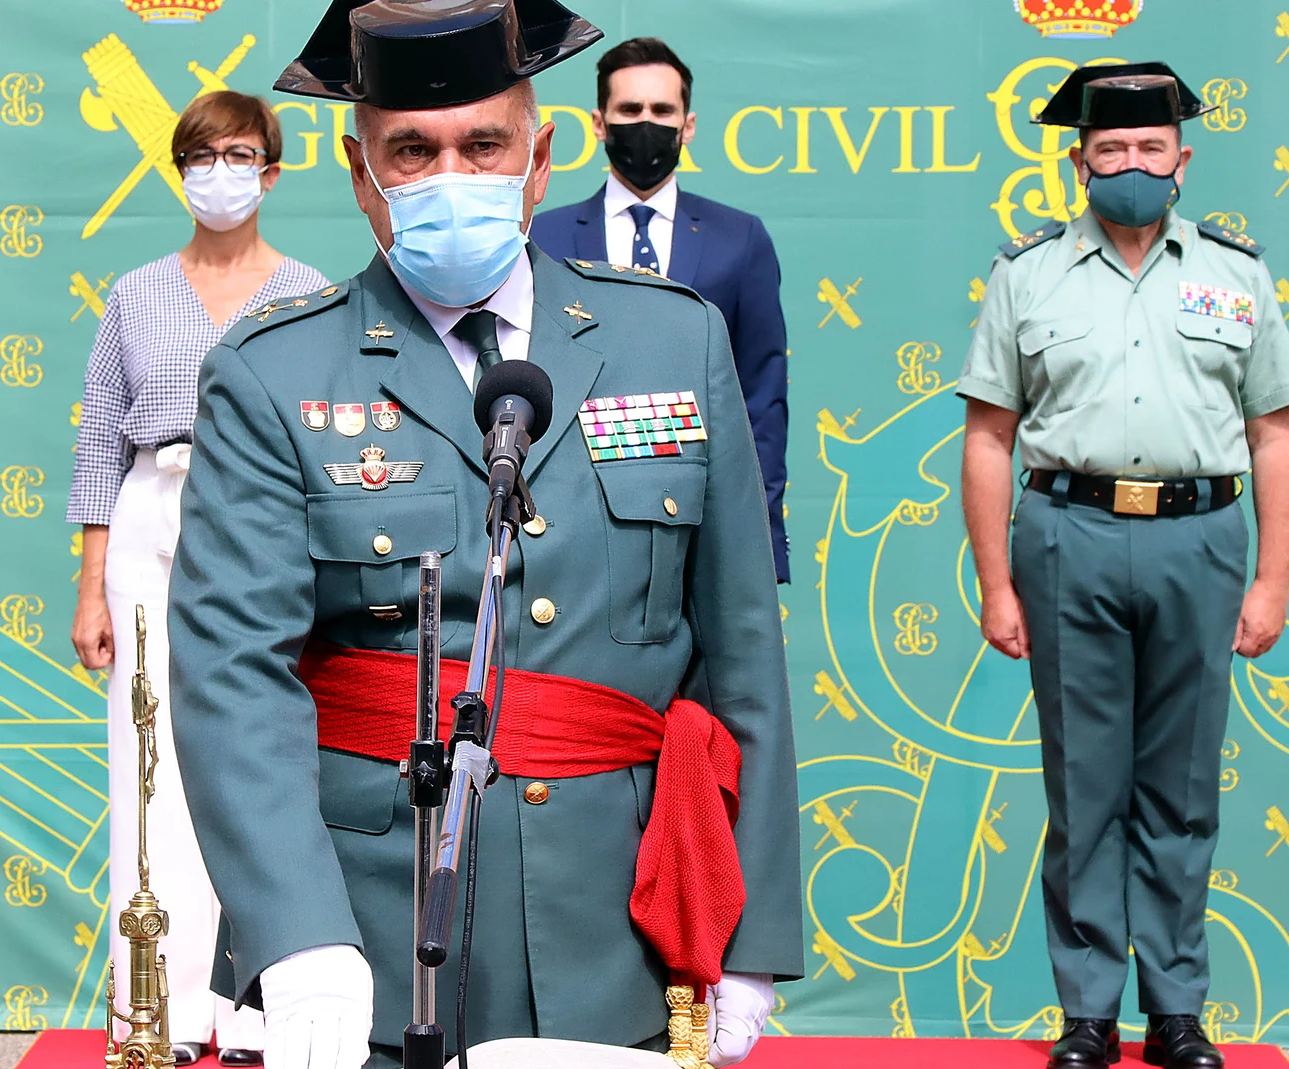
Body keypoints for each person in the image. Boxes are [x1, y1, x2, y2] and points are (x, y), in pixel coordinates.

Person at [165, 2, 803, 1067]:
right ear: (360, 172)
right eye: (411, 150)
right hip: (363, 924)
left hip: (616, 920)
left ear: (541, 156)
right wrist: (297, 927)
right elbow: (232, 671)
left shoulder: (673, 339)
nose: (448, 175)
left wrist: (749, 931)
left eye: (483, 144)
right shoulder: (271, 373)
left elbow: (742, 655)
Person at [956, 64, 1289, 1069]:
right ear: (1078, 163)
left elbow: (1275, 436)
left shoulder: (1237, 274)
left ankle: (1176, 1010)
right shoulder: (1026, 275)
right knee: (1083, 786)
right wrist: (994, 580)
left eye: (1148, 149)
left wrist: (1271, 580)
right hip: (1067, 535)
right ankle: (1084, 1013)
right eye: (1109, 151)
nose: (1130, 165)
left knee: (1182, 785)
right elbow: (989, 437)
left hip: (1201, 540)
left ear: (1181, 160)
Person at [68, 89, 331, 1068]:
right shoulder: (135, 292)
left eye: (239, 153)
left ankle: (261, 1005)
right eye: (201, 154)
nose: (220, 170)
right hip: (151, 516)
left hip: (269, 523)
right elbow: (99, 441)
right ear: (179, 170)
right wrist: (91, 584)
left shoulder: (308, 291)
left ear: (271, 169)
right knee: (150, 760)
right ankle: (158, 1011)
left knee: (267, 757)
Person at [531, 38, 790, 583]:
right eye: (629, 111)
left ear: (687, 125)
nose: (645, 123)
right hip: (577, 518)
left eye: (661, 111)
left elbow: (761, 398)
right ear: (599, 123)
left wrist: (757, 533)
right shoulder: (543, 237)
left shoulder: (739, 240)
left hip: (705, 508)